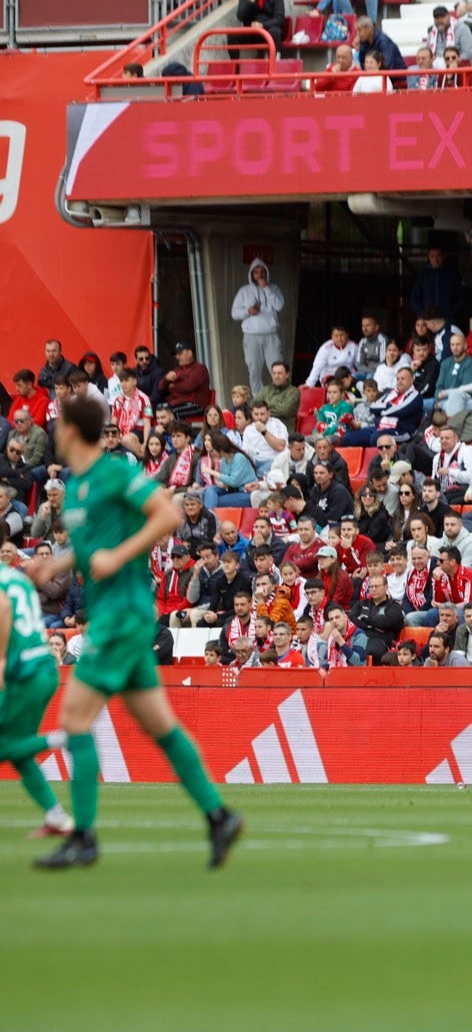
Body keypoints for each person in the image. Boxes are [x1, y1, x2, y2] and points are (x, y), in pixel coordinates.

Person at [25, 396, 242, 869]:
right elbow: (90, 550)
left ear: (70, 432)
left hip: (121, 616)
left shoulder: (114, 473)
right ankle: (218, 815)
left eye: (58, 425)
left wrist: (118, 557)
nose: (54, 432)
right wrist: (52, 566)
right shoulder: (79, 486)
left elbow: (164, 517)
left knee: (75, 718)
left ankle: (83, 836)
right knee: (161, 727)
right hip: (113, 614)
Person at [0, 565, 74, 837]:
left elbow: (3, 608)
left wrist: (1, 659)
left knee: (6, 746)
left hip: (24, 673)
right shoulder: (15, 577)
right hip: (40, 667)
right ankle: (56, 816)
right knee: (18, 752)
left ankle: (67, 739)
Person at [231, 257, 284, 394]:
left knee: (277, 367)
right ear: (251, 274)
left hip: (270, 333)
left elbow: (279, 305)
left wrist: (266, 288)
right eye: (256, 272)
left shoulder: (274, 288)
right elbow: (234, 313)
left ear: (266, 273)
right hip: (251, 335)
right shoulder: (244, 291)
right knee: (253, 368)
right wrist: (248, 311)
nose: (260, 275)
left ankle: (279, 395)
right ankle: (257, 399)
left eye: (262, 272)